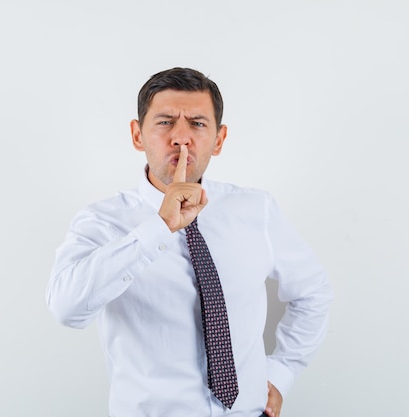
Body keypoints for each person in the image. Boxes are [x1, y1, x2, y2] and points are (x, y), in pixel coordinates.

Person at [47, 67, 332, 417]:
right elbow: (66, 308)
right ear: (138, 135)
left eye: (197, 124)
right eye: (165, 122)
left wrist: (282, 372)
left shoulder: (257, 210)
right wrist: (159, 227)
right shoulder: (102, 222)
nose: (181, 137)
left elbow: (313, 292)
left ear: (219, 139)